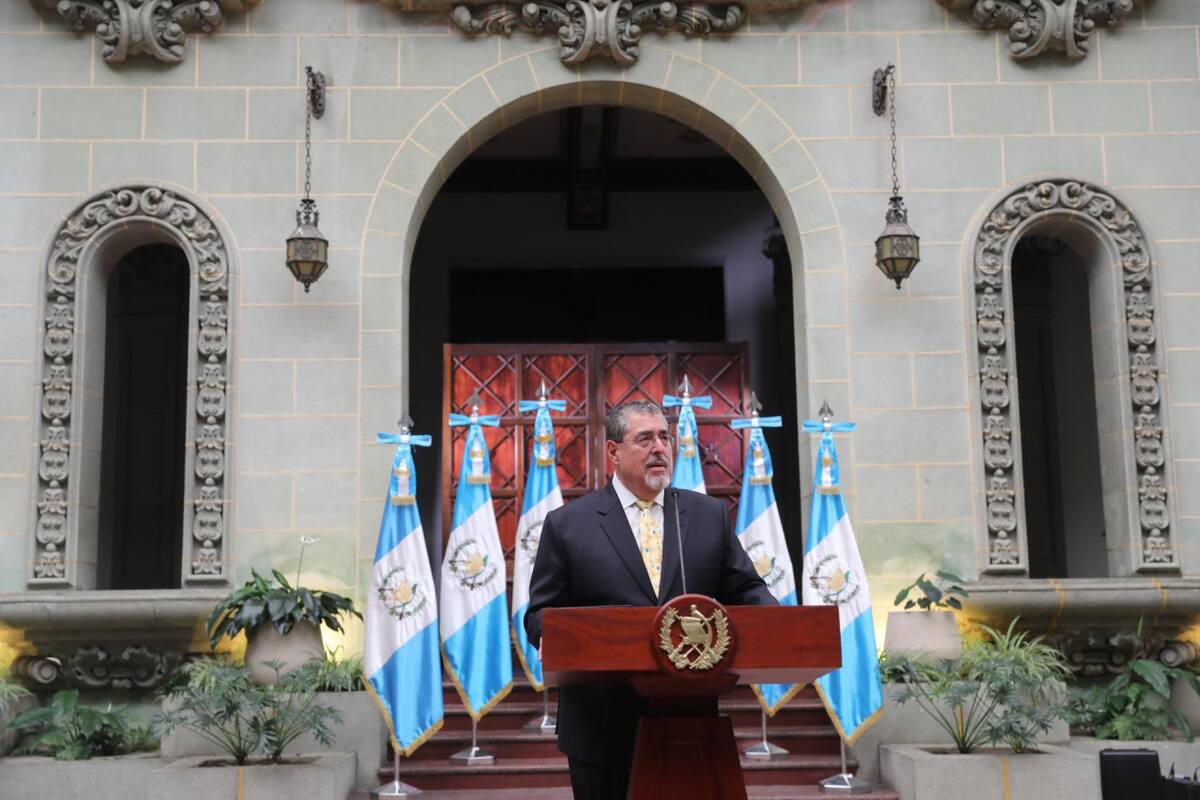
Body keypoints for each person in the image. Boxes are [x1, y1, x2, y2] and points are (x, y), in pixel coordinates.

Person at [525, 399, 777, 800]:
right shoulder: (569, 524)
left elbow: (748, 589)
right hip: (599, 724)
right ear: (613, 452)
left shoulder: (706, 515)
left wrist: (777, 627)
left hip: (688, 717)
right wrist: (554, 637)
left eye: (665, 438)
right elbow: (540, 612)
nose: (659, 448)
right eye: (644, 439)